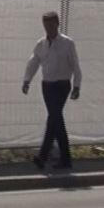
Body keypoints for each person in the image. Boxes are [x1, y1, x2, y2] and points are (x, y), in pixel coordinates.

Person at [22, 12, 82, 171]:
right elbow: (33, 62)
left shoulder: (67, 43)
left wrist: (77, 86)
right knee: (55, 120)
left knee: (54, 117)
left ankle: (43, 156)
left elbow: (75, 65)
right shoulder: (41, 44)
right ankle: (64, 159)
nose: (48, 28)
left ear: (57, 24)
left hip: (62, 85)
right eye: (45, 25)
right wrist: (27, 80)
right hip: (47, 86)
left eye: (51, 25)